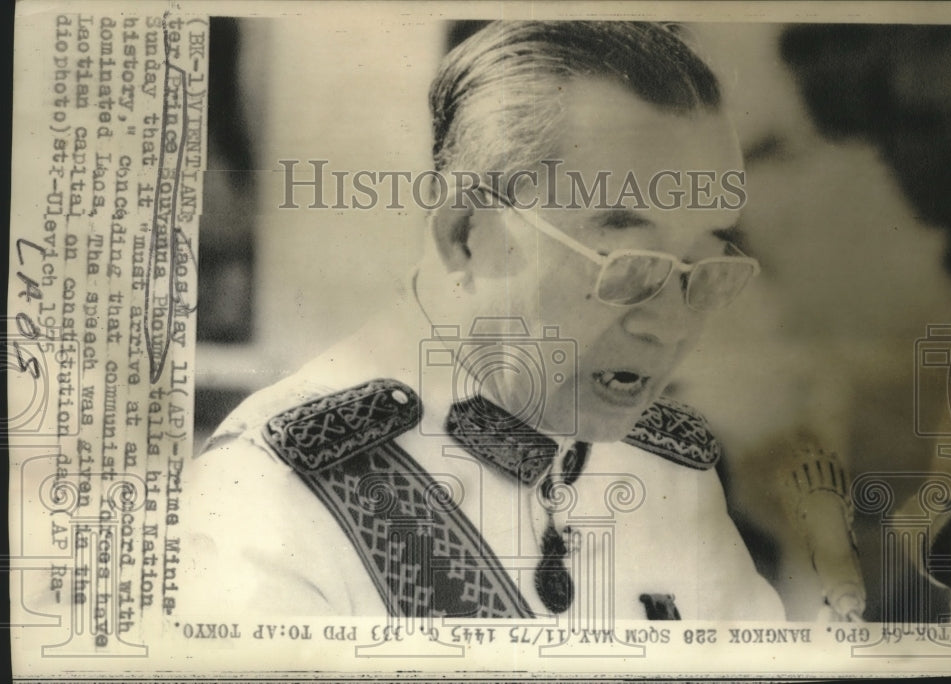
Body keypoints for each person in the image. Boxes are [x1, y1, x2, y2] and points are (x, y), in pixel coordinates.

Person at [180, 21, 788, 621]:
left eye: (704, 266)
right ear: (467, 235)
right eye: (626, 265)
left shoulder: (669, 478)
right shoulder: (278, 497)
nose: (671, 326)